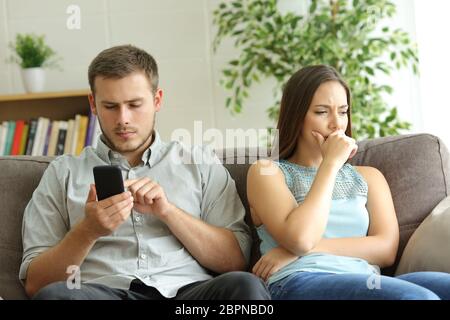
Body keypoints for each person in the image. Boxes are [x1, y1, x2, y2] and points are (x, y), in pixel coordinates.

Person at [20, 45, 270, 300]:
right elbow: (36, 284)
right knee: (56, 297)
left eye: (134, 104)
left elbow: (234, 260)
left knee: (244, 287)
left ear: (157, 100)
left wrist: (168, 212)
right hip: (103, 294)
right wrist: (89, 230)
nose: (123, 119)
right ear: (93, 104)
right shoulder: (62, 173)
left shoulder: (200, 162)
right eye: (111, 106)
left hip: (188, 297)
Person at [247, 65, 450, 300]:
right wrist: (330, 164)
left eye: (342, 112)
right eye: (322, 112)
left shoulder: (369, 177)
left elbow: (385, 250)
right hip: (300, 280)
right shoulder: (267, 173)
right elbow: (300, 238)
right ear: (297, 117)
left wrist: (296, 251)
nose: (336, 124)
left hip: (370, 281)